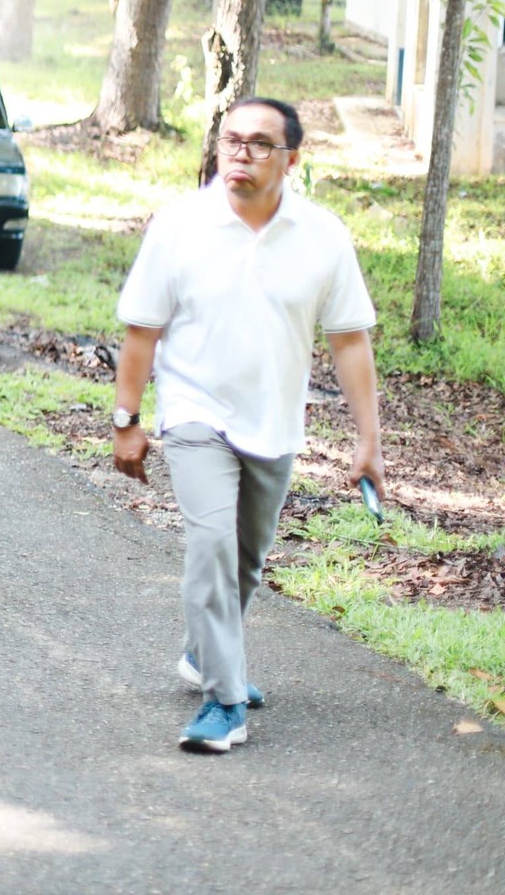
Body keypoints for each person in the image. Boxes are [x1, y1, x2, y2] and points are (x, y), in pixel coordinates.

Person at [110, 96, 382, 754]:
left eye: (260, 143)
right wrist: (128, 419)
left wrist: (368, 437)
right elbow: (141, 330)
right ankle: (224, 700)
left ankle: (205, 651)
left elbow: (349, 341)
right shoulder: (181, 225)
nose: (241, 152)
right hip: (197, 415)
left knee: (245, 562)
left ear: (292, 157)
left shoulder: (322, 236)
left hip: (274, 423)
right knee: (210, 545)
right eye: (232, 139)